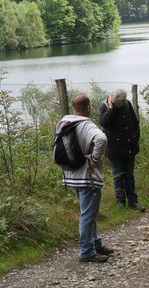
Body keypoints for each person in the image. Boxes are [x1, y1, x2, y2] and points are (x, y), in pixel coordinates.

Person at [56, 93, 113, 263]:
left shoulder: (63, 122)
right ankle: (87, 252)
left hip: (71, 175)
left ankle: (95, 243)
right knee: (88, 215)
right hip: (87, 177)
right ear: (88, 108)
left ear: (74, 108)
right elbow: (102, 138)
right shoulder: (87, 125)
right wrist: (94, 159)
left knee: (89, 213)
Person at [99, 89, 145, 212]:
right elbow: (103, 122)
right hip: (114, 150)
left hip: (130, 147)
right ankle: (120, 202)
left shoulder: (127, 104)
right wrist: (110, 109)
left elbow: (135, 123)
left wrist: (135, 139)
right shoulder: (104, 107)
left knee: (130, 176)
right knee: (118, 176)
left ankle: (133, 201)